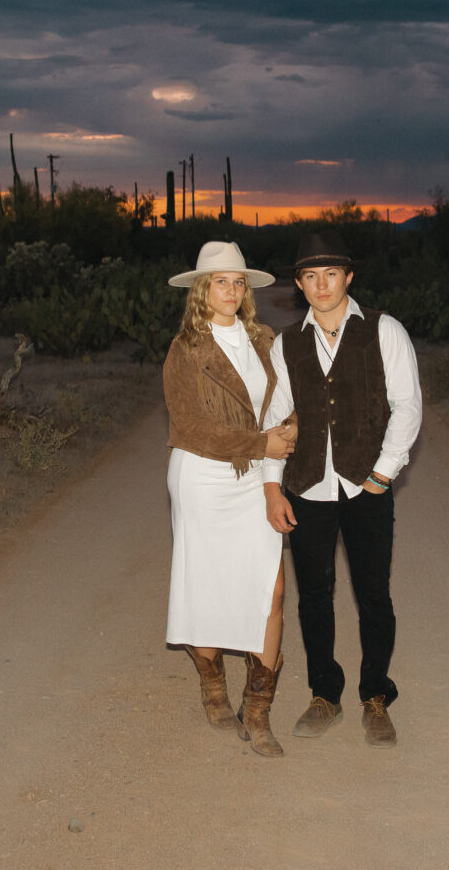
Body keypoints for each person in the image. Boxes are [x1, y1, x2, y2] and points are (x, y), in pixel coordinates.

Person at [263, 230, 422, 747]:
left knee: (374, 596)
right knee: (314, 597)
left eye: (331, 274)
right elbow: (274, 419)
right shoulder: (287, 343)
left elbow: (408, 406)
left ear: (349, 277)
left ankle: (375, 694)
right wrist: (273, 487)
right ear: (299, 285)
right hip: (308, 488)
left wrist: (383, 472)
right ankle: (324, 694)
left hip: (366, 487)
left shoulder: (383, 330)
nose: (321, 285)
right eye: (310, 276)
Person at [163, 240, 296, 758]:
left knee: (273, 590)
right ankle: (213, 684)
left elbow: (284, 405)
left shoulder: (265, 340)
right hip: (202, 476)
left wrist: (285, 434)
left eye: (238, 282)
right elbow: (192, 427)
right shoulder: (186, 349)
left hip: (254, 479)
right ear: (202, 289)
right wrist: (261, 442)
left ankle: (258, 711)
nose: (231, 290)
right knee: (205, 586)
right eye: (221, 281)